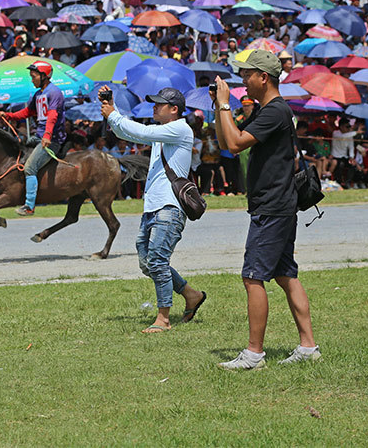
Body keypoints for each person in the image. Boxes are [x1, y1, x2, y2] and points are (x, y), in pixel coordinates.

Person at [211, 49, 319, 370]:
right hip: (277, 204)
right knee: (286, 274)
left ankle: (254, 353)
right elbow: (224, 141)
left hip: (272, 206)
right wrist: (220, 107)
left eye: (248, 74)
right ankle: (308, 346)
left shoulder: (275, 112)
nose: (243, 79)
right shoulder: (264, 110)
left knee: (253, 277)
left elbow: (234, 144)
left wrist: (226, 102)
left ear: (264, 78)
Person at [101, 85, 206, 333]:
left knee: (157, 261)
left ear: (174, 109)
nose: (154, 107)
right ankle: (191, 294)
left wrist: (114, 114)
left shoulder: (179, 128)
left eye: (159, 104)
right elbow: (133, 134)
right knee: (148, 263)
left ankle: (163, 319)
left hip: (168, 207)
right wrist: (110, 112)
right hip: (155, 205)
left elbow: (141, 131)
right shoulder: (162, 131)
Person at [0, 61, 66, 215]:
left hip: (51, 140)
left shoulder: (54, 92)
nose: (32, 79)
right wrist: (7, 115)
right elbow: (27, 112)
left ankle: (29, 206)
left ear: (44, 76)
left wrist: (47, 135)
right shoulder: (38, 94)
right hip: (38, 136)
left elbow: (52, 117)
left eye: (33, 76)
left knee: (29, 168)